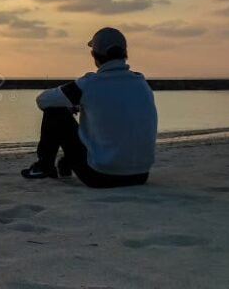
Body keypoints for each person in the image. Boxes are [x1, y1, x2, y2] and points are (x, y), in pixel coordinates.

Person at [21, 27, 157, 188]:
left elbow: (43, 100)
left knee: (55, 111)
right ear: (124, 54)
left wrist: (74, 104)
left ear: (94, 55)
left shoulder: (89, 84)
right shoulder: (141, 83)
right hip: (140, 175)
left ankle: (44, 166)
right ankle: (65, 163)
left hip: (100, 176)